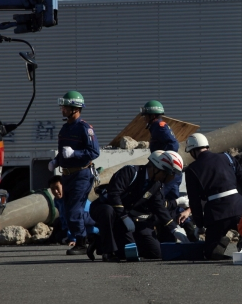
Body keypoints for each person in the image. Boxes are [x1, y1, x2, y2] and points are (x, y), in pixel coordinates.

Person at [88, 151, 189, 261]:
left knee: (155, 252)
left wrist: (174, 229)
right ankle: (108, 251)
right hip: (106, 208)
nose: (169, 178)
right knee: (108, 211)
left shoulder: (156, 185)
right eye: (167, 174)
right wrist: (124, 217)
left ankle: (102, 241)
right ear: (156, 168)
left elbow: (159, 207)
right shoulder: (130, 172)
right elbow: (114, 194)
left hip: (127, 217)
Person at [184, 133, 242, 260]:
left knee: (210, 254)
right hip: (239, 208)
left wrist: (200, 223)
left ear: (193, 151)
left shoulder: (192, 169)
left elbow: (194, 200)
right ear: (206, 146)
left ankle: (223, 241)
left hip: (216, 214)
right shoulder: (227, 157)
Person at [48, 91, 100, 256]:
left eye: (65, 106)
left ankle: (82, 242)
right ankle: (102, 221)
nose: (62, 109)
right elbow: (64, 152)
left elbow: (94, 152)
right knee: (68, 211)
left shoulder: (85, 128)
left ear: (75, 109)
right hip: (67, 176)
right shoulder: (65, 128)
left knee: (74, 212)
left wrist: (75, 154)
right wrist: (56, 161)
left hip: (81, 175)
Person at [140, 100, 181, 200]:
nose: (144, 119)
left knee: (160, 199)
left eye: (146, 116)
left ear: (152, 116)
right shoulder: (156, 126)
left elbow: (174, 144)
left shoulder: (159, 126)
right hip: (165, 171)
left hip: (167, 172)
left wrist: (164, 162)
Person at [48, 175, 99, 246]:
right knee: (58, 223)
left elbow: (75, 220)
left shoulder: (72, 199)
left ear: (64, 186)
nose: (55, 191)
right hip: (76, 224)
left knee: (60, 236)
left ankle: (84, 239)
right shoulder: (57, 201)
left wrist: (74, 239)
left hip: (90, 226)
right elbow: (64, 219)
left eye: (57, 187)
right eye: (53, 189)